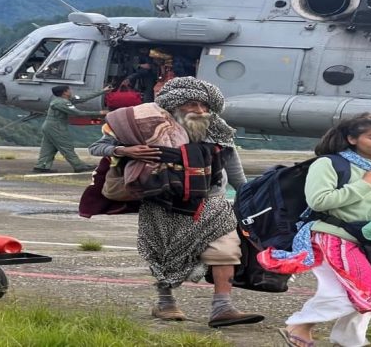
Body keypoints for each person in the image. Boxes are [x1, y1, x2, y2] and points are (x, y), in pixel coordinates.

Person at [88, 76, 264, 327]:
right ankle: (165, 302)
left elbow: (232, 166)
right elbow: (97, 147)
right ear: (174, 104)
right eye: (192, 104)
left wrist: (247, 195)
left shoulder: (219, 130)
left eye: (205, 105)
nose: (200, 110)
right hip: (163, 201)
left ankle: (222, 308)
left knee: (226, 249)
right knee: (163, 253)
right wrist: (125, 150)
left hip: (212, 200)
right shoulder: (143, 125)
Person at [278, 113, 371, 347]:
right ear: (352, 138)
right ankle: (299, 326)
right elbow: (319, 201)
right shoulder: (328, 164)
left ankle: (350, 341)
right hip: (332, 236)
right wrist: (366, 182)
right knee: (356, 290)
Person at [33, 85, 110, 173]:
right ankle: (78, 166)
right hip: (56, 127)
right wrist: (99, 113)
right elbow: (78, 113)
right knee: (66, 146)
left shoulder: (62, 101)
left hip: (50, 126)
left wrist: (103, 91)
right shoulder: (62, 103)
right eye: (69, 90)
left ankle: (42, 165)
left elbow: (83, 98)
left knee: (48, 147)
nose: (71, 91)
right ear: (65, 92)